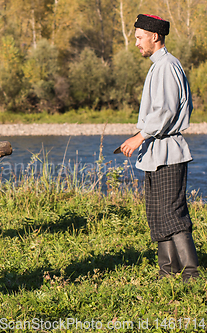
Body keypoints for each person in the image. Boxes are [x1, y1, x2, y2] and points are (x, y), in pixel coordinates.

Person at [120, 14, 199, 282]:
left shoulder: (166, 66)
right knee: (156, 212)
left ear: (155, 36)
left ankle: (191, 271)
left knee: (172, 212)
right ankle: (167, 270)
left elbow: (164, 112)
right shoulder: (159, 65)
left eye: (139, 37)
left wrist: (138, 137)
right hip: (155, 152)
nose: (136, 43)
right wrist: (140, 137)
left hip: (168, 152)